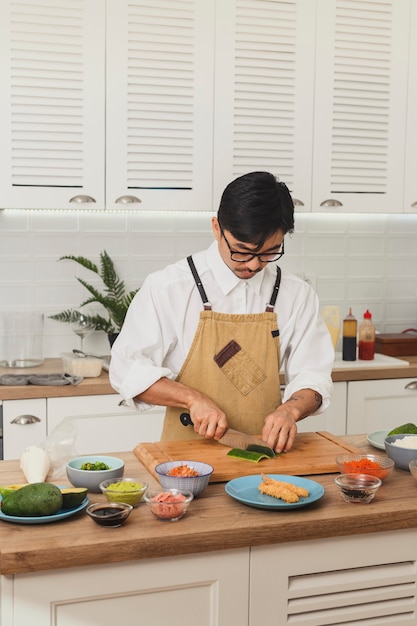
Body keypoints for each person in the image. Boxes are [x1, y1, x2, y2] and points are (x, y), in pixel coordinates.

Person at [110, 171, 334, 453]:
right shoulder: (169, 287)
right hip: (184, 460)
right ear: (217, 228)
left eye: (269, 252)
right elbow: (126, 370)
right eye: (241, 251)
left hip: (264, 454)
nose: (253, 265)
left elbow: (313, 375)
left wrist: (290, 410)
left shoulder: (296, 293)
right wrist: (191, 399)